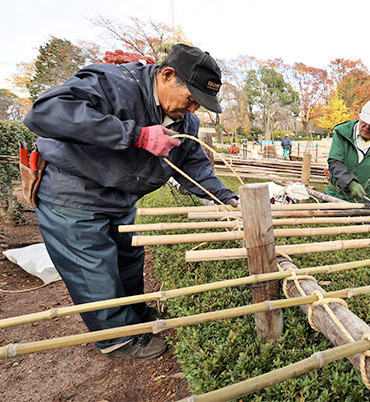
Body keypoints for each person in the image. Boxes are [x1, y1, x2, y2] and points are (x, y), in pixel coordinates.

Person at [23, 44, 238, 360]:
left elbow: (195, 166)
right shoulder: (113, 82)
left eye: (199, 105)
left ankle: (134, 316)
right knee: (93, 269)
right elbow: (45, 114)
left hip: (122, 197)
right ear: (167, 75)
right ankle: (117, 338)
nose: (192, 109)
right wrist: (135, 135)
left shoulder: (185, 123)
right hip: (73, 193)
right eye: (190, 99)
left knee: (129, 259)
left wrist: (227, 199)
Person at [325, 99, 370, 203]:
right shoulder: (343, 133)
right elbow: (335, 162)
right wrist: (351, 183)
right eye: (365, 122)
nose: (367, 127)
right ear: (360, 116)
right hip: (336, 195)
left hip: (361, 199)